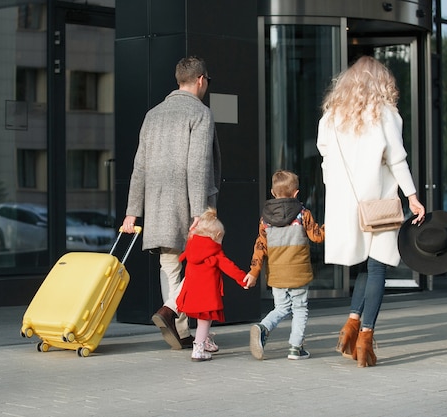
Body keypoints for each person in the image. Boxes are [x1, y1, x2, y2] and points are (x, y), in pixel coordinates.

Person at [316, 56, 425, 367]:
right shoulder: (386, 114)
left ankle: (350, 324)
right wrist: (413, 197)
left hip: (344, 203)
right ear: (382, 83)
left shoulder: (331, 117)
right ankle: (365, 338)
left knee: (364, 268)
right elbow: (397, 160)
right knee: (377, 270)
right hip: (379, 203)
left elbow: (325, 159)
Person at [121, 56, 221, 350]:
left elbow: (139, 165)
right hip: (190, 204)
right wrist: (200, 212)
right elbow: (198, 165)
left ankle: (181, 331)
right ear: (201, 79)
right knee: (203, 268)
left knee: (169, 265)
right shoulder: (200, 113)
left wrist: (132, 211)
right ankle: (172, 309)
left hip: (157, 205)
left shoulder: (153, 114)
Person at [244, 170, 325, 361]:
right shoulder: (303, 214)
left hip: (277, 274)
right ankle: (296, 348)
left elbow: (260, 246)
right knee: (299, 308)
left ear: (273, 192)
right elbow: (317, 237)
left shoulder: (265, 220)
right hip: (298, 272)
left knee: (281, 307)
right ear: (296, 193)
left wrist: (254, 272)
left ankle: (263, 326)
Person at [176, 207, 250, 361]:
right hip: (207, 294)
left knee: (201, 320)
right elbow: (230, 267)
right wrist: (243, 280)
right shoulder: (215, 252)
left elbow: (182, 258)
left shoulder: (191, 246)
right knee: (204, 320)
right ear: (217, 235)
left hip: (191, 292)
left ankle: (205, 341)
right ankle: (199, 349)